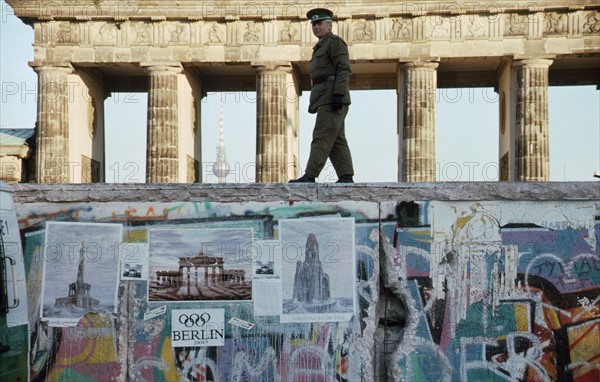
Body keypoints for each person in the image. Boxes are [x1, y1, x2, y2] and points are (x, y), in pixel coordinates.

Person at [289, 8, 355, 183]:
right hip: (325, 96)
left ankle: (310, 175)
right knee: (336, 138)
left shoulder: (334, 42)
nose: (316, 27)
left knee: (321, 136)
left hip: (332, 96)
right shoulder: (321, 45)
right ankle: (346, 176)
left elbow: (343, 69)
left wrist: (339, 94)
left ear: (329, 24)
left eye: (319, 23)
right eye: (313, 24)